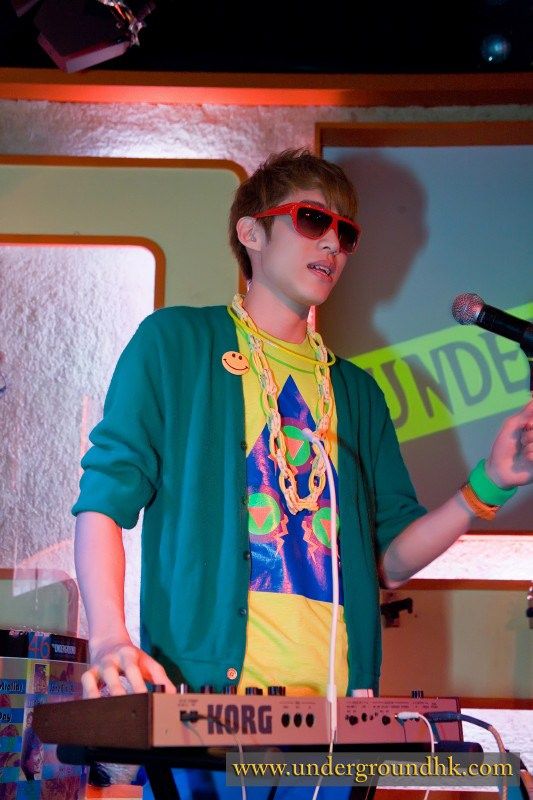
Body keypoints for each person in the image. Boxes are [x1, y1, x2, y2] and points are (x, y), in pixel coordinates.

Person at [73, 149, 533, 797]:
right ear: (251, 232)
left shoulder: (357, 393)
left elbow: (389, 561)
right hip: (205, 701)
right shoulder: (177, 344)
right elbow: (103, 499)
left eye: (346, 232)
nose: (333, 243)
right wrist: (107, 638)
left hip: (338, 712)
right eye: (313, 220)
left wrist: (487, 483)